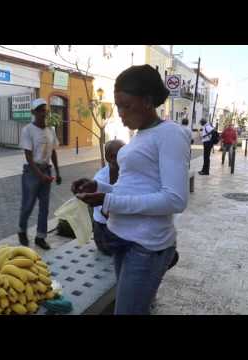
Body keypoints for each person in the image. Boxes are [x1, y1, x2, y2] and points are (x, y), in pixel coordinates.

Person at [71, 64, 190, 315]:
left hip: (146, 246)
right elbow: (134, 186)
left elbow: (175, 200)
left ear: (147, 101)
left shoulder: (170, 133)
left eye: (127, 105)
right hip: (123, 238)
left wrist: (108, 201)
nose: (121, 113)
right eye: (118, 106)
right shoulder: (141, 135)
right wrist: (99, 187)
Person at [18, 98, 62, 250]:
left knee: (45, 207)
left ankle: (40, 237)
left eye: (45, 110)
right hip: (32, 172)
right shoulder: (27, 130)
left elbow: (53, 152)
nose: (43, 113)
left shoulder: (50, 130)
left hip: (46, 170)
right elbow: (28, 157)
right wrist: (39, 175)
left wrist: (57, 171)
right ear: (33, 112)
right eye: (40, 110)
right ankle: (22, 230)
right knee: (28, 205)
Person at [92, 140, 125, 256]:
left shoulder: (125, 173)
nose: (126, 157)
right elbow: (107, 213)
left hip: (118, 227)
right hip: (104, 232)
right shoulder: (100, 179)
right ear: (110, 158)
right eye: (122, 154)